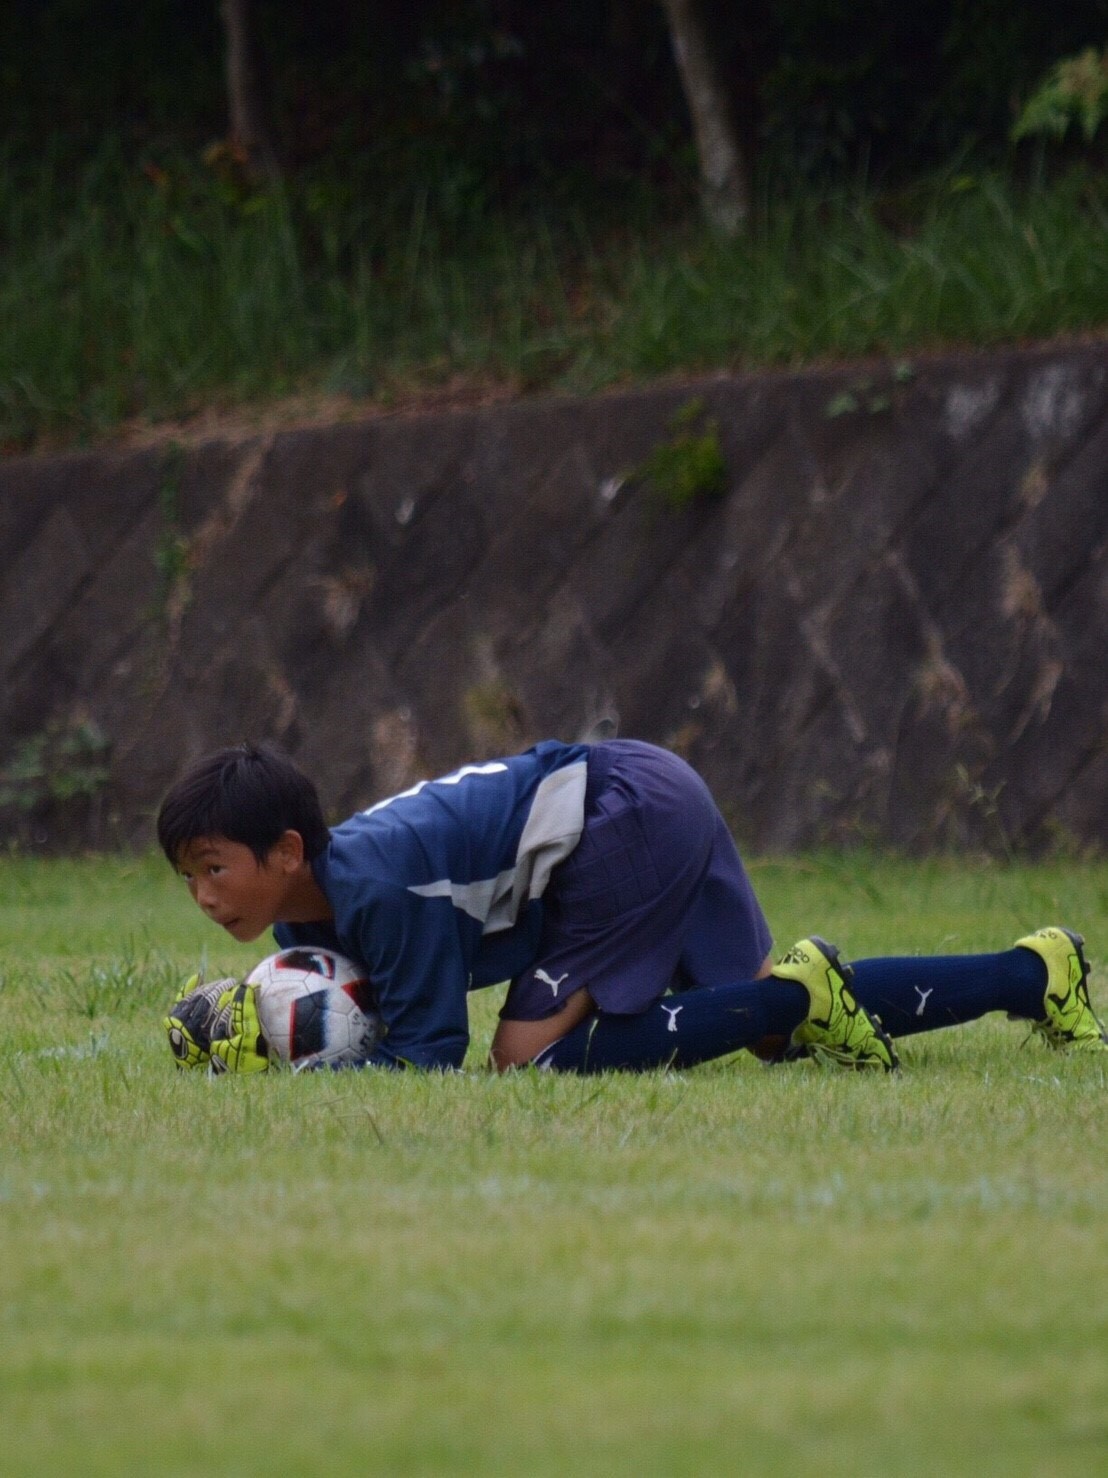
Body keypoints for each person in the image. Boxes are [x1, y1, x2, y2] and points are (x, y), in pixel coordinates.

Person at [156, 738, 1107, 1074]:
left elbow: (425, 1052)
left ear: (287, 852)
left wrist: (297, 1073)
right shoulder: (305, 912)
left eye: (213, 869)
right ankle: (1038, 972)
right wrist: (244, 1024)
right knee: (757, 1018)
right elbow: (346, 1009)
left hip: (621, 814)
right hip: (636, 793)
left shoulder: (376, 886)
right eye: (188, 878)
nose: (203, 897)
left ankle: (801, 997)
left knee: (526, 1058)